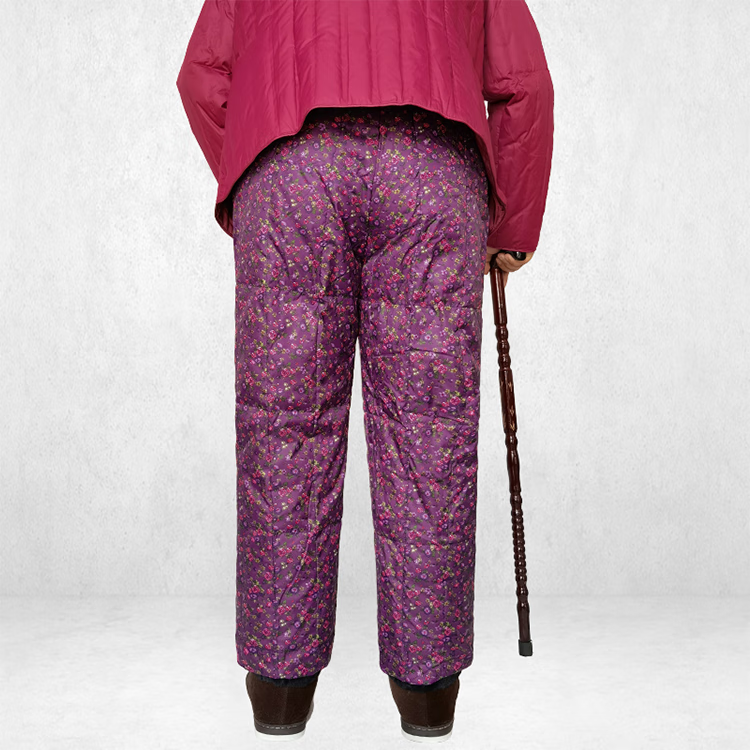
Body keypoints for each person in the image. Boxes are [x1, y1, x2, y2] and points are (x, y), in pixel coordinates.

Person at [176, 0, 553, 741]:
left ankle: (279, 694)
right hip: (430, 173)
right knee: (429, 441)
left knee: (284, 434)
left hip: (292, 169)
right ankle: (428, 697)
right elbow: (524, 84)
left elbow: (203, 76)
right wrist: (511, 228)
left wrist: (249, 166)